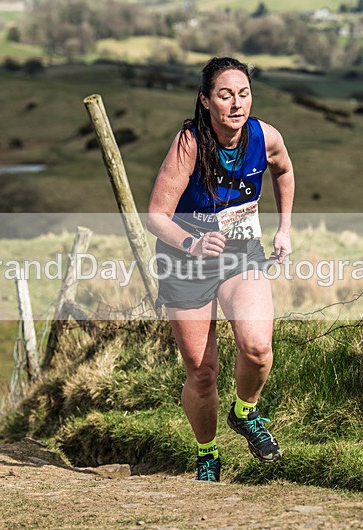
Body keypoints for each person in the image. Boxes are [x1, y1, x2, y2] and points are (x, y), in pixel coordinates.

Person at [147, 57, 294, 482]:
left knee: (257, 348)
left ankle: (246, 413)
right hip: (184, 263)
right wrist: (191, 242)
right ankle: (207, 454)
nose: (236, 104)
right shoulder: (189, 143)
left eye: (243, 94)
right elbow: (156, 215)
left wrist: (284, 228)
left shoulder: (264, 136)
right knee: (202, 372)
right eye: (225, 95)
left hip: (240, 255)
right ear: (206, 100)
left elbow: (284, 171)